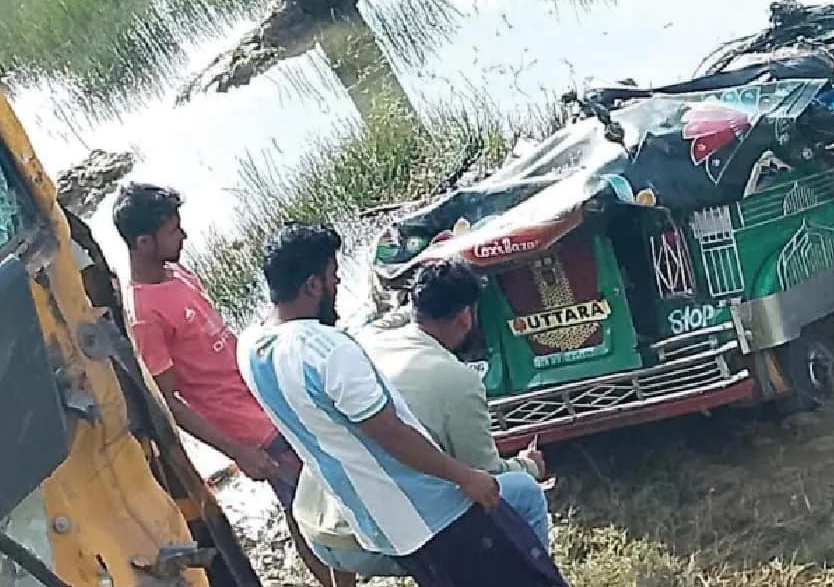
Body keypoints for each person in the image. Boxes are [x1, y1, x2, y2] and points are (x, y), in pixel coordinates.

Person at [236, 222, 568, 587]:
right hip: (429, 516)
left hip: (367, 521)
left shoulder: (251, 348)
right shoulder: (327, 350)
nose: (338, 285)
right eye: (333, 276)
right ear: (312, 285)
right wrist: (466, 477)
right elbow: (390, 433)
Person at [112, 184, 349, 587]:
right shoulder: (144, 314)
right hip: (248, 426)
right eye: (173, 231)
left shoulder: (178, 273)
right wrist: (238, 451)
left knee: (315, 496)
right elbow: (170, 402)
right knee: (309, 504)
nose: (183, 236)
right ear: (143, 242)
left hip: (263, 393)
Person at [292, 258, 551, 576]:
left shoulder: (367, 340)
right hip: (373, 542)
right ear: (466, 317)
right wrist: (527, 465)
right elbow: (485, 478)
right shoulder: (460, 381)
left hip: (317, 528)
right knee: (523, 492)